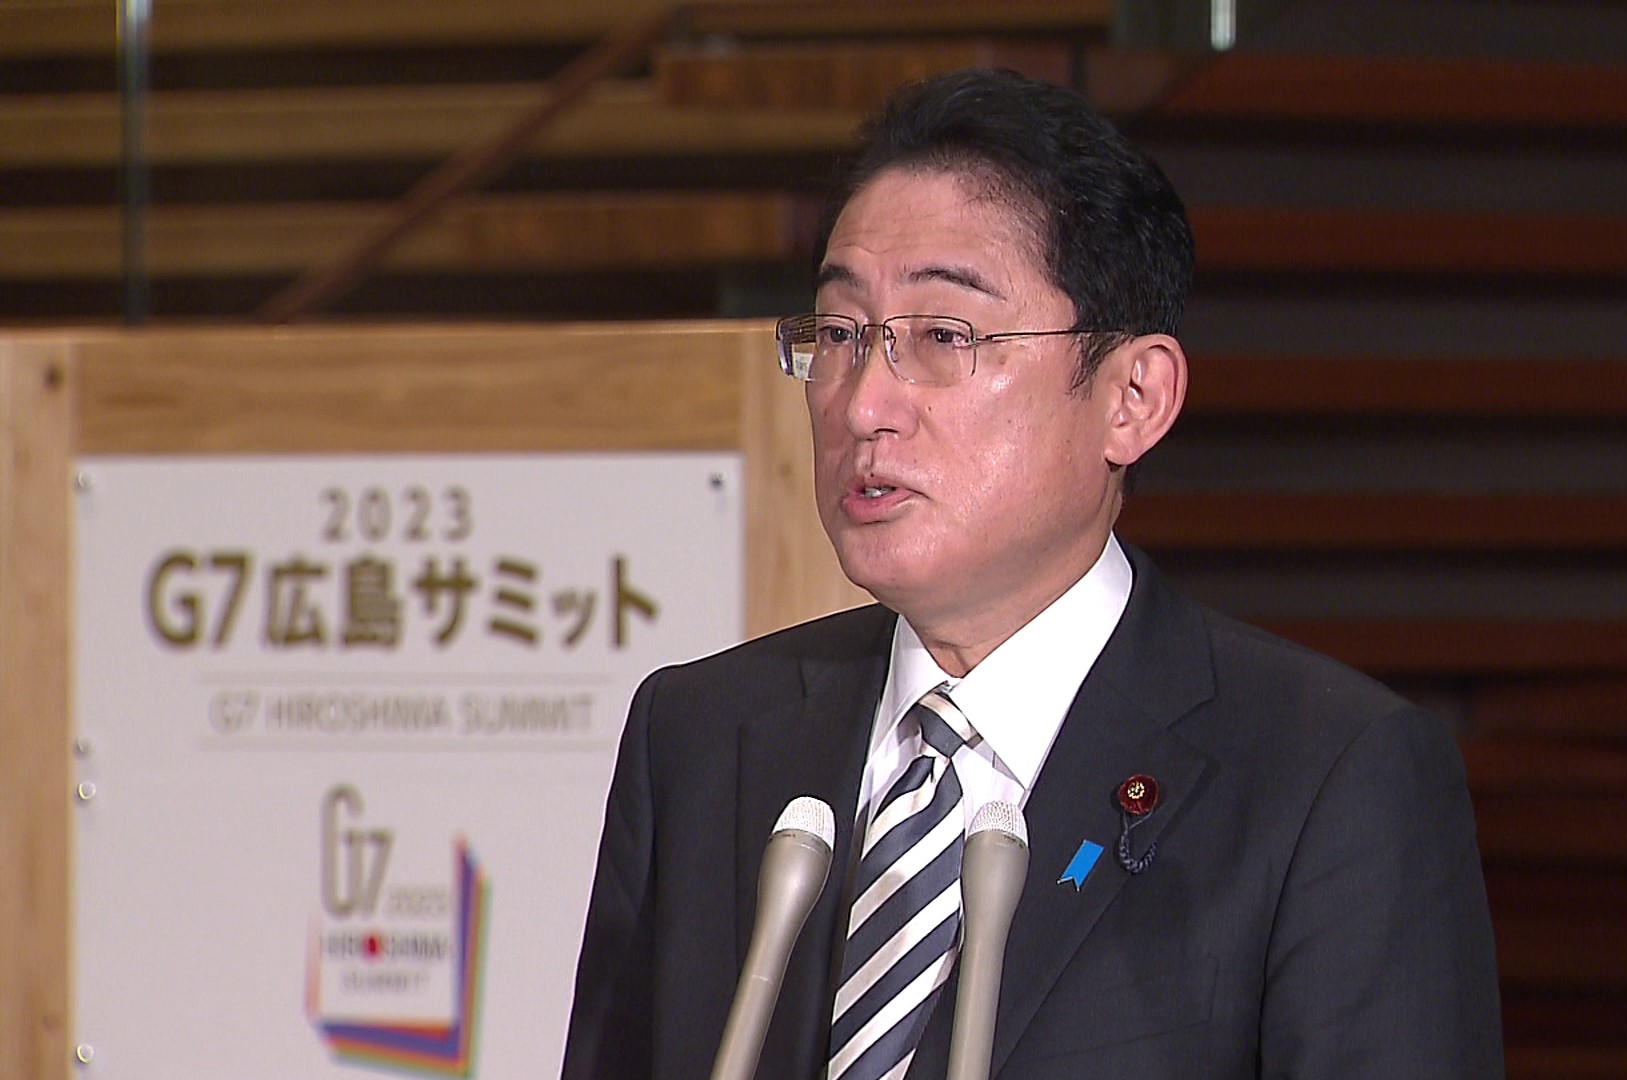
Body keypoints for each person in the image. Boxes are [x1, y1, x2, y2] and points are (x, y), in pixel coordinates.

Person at [561, 67, 1502, 1079]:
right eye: (839, 335)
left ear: (1133, 397)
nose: (865, 403)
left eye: (943, 336)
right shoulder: (700, 738)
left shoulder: (1327, 776)